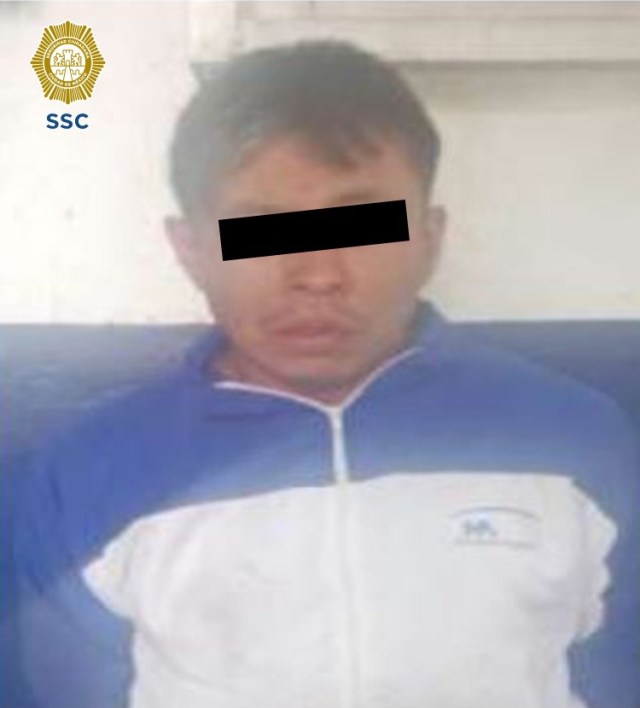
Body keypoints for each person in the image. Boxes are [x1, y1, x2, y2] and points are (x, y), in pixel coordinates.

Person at [9, 40, 640, 708]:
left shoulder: (575, 442)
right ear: (190, 251)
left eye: (364, 226)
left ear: (429, 238)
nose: (317, 275)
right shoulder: (91, 474)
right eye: (259, 230)